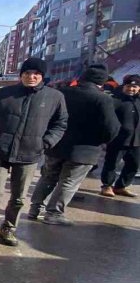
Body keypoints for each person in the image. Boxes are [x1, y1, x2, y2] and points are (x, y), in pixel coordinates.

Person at [0, 58, 68, 246]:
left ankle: (8, 229)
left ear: (42, 76)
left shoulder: (54, 97)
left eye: (36, 74)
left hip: (29, 154)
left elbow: (60, 123)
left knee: (18, 197)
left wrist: (46, 142)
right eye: (27, 73)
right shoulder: (4, 94)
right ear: (21, 75)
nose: (31, 77)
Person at [29, 64, 120, 225]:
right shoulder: (103, 98)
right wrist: (100, 140)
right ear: (102, 82)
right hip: (85, 149)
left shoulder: (62, 93)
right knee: (69, 181)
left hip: (56, 144)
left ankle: (34, 208)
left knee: (48, 177)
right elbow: (111, 128)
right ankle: (54, 214)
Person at [100, 74, 140, 198]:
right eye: (129, 86)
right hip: (118, 139)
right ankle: (107, 186)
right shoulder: (115, 100)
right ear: (124, 86)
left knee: (134, 164)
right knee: (112, 163)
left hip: (137, 140)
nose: (131, 89)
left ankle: (121, 186)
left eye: (135, 87)